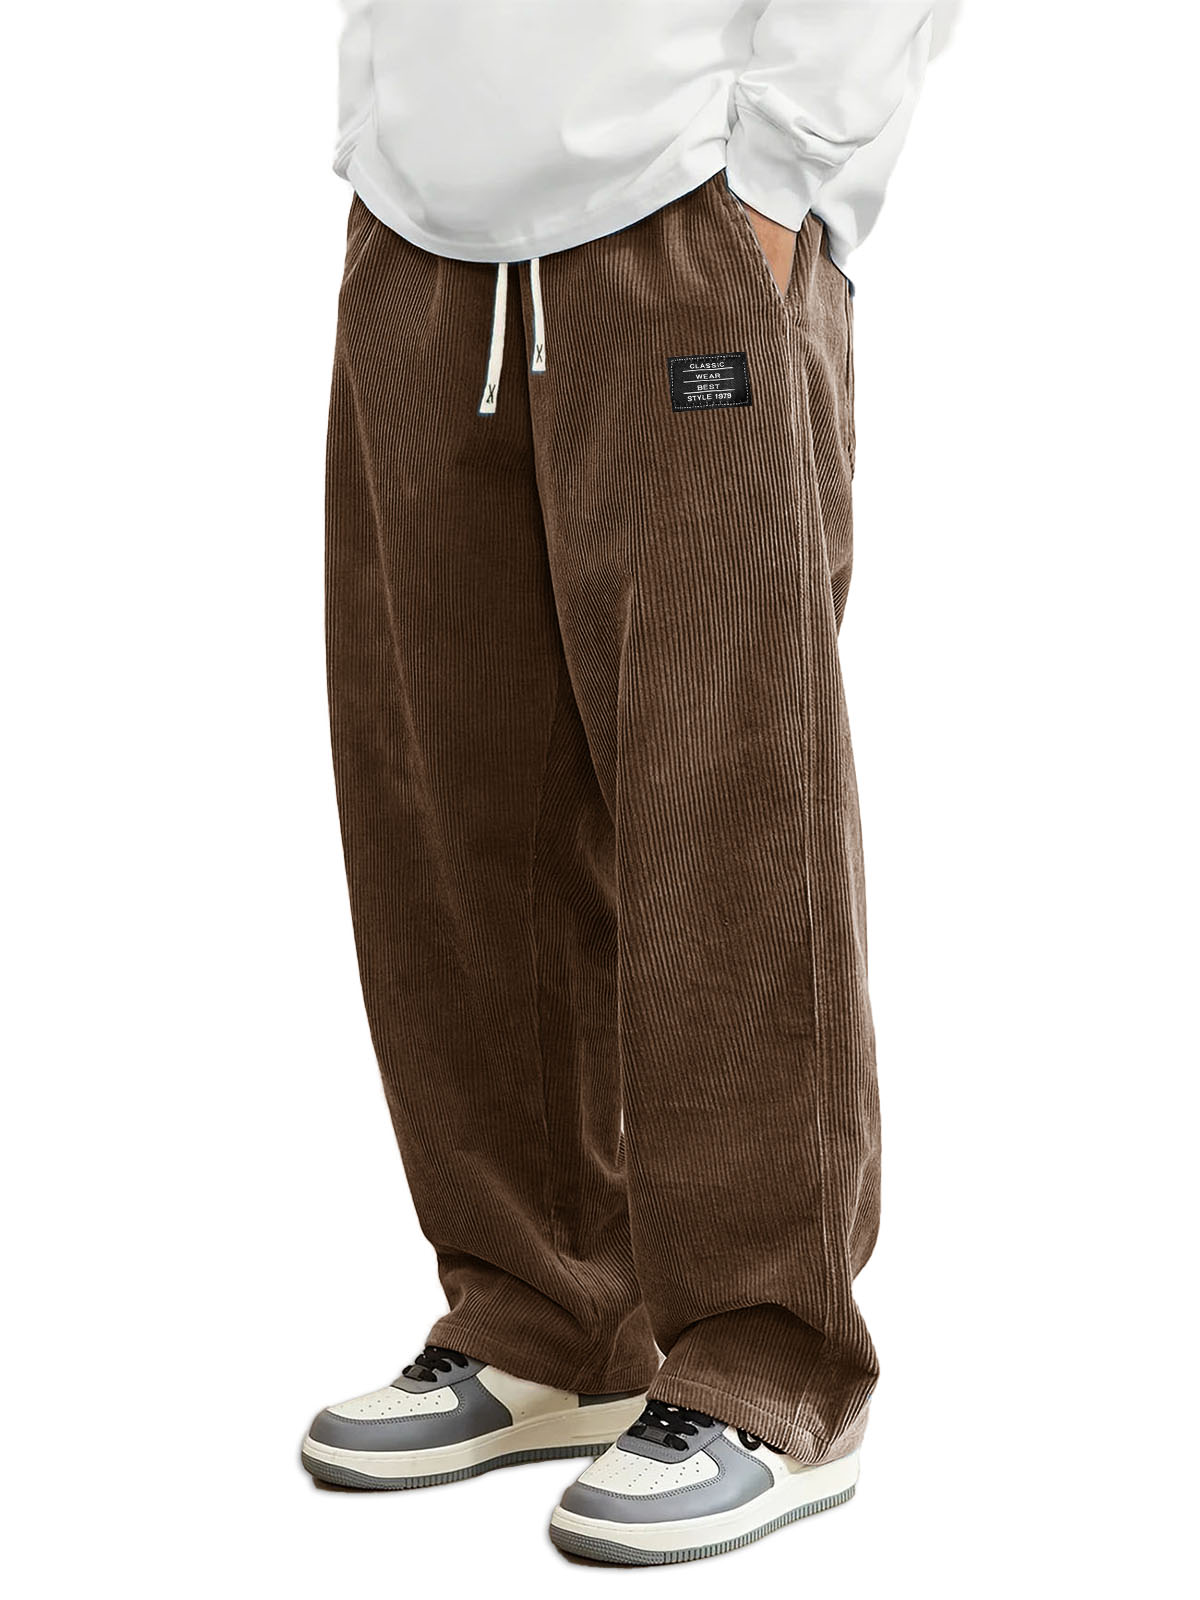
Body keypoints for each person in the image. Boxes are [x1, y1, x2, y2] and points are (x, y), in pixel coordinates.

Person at [302, 0, 953, 1566]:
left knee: (722, 799)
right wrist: (376, 129)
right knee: (443, 795)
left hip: (684, 206)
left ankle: (772, 1359)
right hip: (421, 224)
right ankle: (542, 1311)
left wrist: (785, 177)